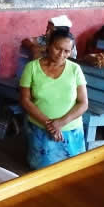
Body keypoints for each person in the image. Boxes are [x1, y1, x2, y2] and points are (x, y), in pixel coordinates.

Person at [19, 29, 88, 169]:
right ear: (49, 45)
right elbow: (25, 100)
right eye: (57, 48)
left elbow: (83, 103)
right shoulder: (32, 68)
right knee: (42, 172)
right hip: (40, 129)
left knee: (72, 171)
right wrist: (50, 125)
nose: (61, 54)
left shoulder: (75, 69)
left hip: (70, 131)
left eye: (67, 51)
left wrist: (60, 123)